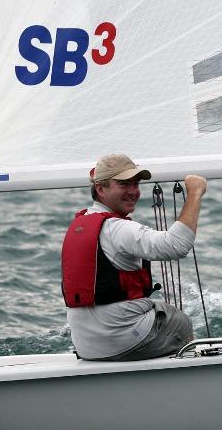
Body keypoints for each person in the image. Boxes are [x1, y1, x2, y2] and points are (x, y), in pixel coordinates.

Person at [61, 154, 207, 360]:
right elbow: (176, 245)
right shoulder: (118, 228)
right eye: (123, 184)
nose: (133, 191)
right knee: (179, 320)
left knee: (158, 308)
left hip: (86, 346)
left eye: (135, 184)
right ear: (100, 189)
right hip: (120, 343)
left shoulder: (80, 224)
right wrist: (195, 193)